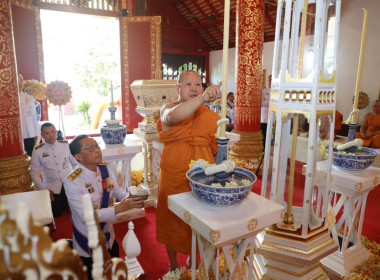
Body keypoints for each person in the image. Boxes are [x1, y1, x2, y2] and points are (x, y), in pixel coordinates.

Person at [156, 70, 221, 272]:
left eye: (198, 84)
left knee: (201, 218)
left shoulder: (210, 116)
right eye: (188, 84)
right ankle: (173, 263)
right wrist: (203, 98)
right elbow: (176, 116)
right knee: (171, 219)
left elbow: (215, 146)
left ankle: (195, 257)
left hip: (203, 175)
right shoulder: (168, 109)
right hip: (174, 173)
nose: (194, 88)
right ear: (177, 89)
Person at [63, 135, 145, 279]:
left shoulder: (103, 168)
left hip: (108, 235)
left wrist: (129, 198)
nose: (96, 150)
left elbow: (116, 189)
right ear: (78, 156)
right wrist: (119, 209)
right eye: (90, 148)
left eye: (97, 146)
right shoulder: (73, 181)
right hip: (88, 242)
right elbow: (85, 216)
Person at [30, 122, 78, 217]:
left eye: (53, 132)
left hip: (70, 184)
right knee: (56, 213)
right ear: (42, 135)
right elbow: (34, 174)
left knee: (77, 210)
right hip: (52, 188)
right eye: (47, 133)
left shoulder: (65, 145)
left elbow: (76, 165)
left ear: (56, 132)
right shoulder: (38, 151)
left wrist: (74, 180)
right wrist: (43, 190)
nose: (51, 135)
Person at [18, 74, 40, 157]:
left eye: (21, 80)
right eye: (17, 80)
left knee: (31, 158)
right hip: (17, 136)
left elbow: (34, 117)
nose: (20, 83)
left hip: (30, 134)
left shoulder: (29, 97)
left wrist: (36, 133)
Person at [261, 75, 272, 148]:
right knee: (264, 134)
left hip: (273, 115)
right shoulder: (264, 91)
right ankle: (263, 149)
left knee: (271, 134)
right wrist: (271, 102)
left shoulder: (277, 90)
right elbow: (261, 103)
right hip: (265, 116)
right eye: (271, 80)